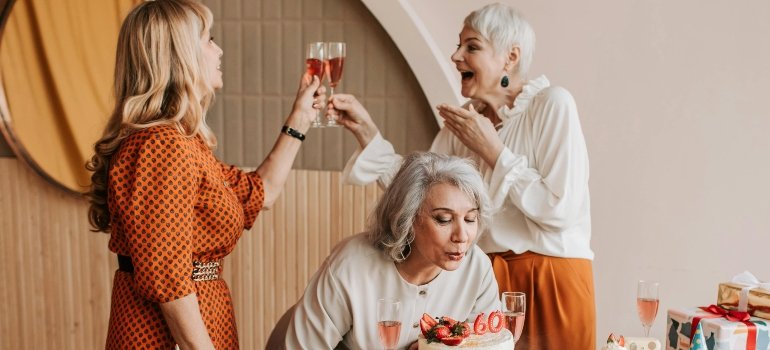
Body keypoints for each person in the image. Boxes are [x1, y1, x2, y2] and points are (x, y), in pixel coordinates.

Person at [328, 3, 595, 349]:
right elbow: (421, 189)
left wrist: (493, 151)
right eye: (458, 45)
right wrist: (367, 132)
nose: (455, 56)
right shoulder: (464, 122)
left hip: (552, 281)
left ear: (510, 57)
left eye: (471, 46)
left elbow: (561, 210)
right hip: (488, 280)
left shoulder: (552, 104)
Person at [85, 0, 324, 348]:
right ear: (181, 55)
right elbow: (170, 283)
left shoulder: (185, 143)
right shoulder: (162, 147)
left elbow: (261, 193)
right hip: (165, 335)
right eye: (209, 39)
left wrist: (300, 118)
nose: (219, 49)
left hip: (200, 317)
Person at [283, 152, 500, 350]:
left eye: (470, 219)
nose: (462, 236)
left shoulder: (476, 268)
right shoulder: (350, 267)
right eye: (444, 219)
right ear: (408, 218)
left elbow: (488, 343)